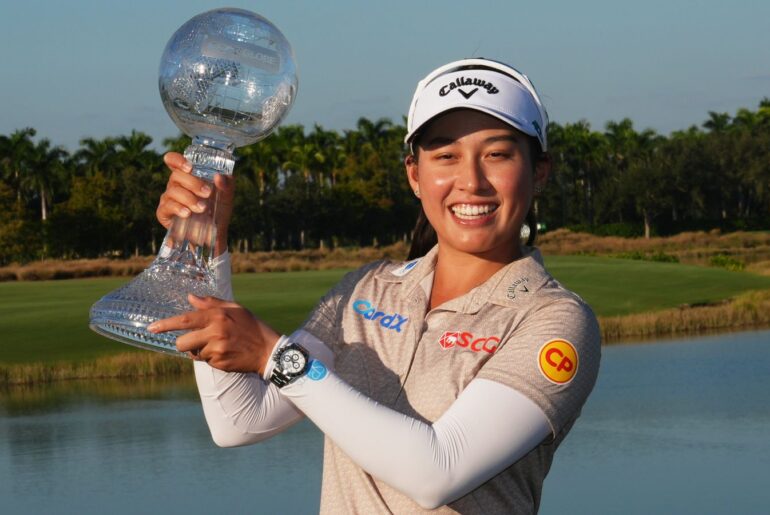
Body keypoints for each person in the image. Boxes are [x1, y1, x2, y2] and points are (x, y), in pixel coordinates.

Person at [148, 58, 601, 514]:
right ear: (414, 175)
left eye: (497, 154)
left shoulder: (555, 320)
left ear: (539, 171)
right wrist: (204, 251)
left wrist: (275, 357)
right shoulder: (366, 291)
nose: (471, 181)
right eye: (446, 155)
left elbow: (437, 471)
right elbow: (239, 420)